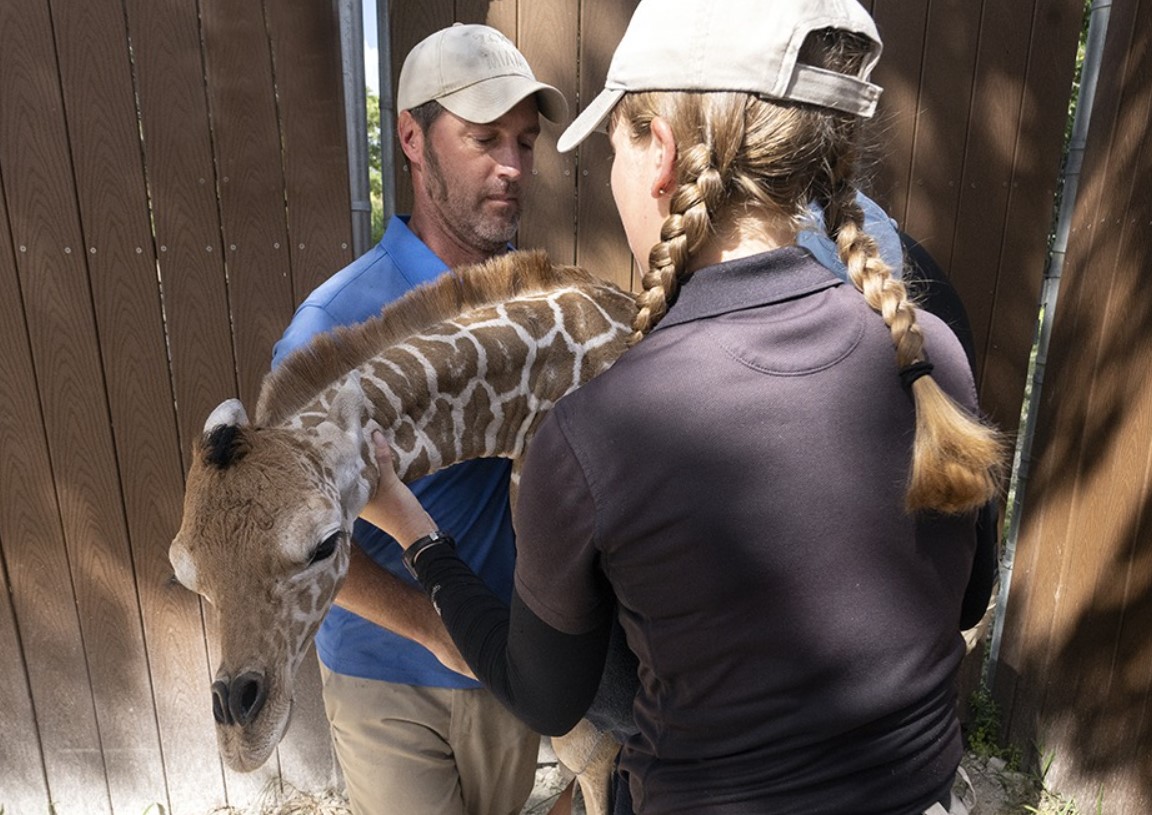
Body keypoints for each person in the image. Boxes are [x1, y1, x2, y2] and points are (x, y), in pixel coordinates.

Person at [361, 1, 1006, 813]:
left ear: (660, 154)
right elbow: (970, 594)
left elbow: (547, 694)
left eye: (616, 147)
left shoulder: (598, 434)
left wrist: (418, 536)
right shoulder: (930, 356)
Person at [270, 23, 567, 815]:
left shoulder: (543, 311)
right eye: (483, 138)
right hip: (388, 670)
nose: (511, 166)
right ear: (411, 136)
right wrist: (428, 623)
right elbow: (291, 540)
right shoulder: (332, 329)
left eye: (525, 141)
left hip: (505, 664)